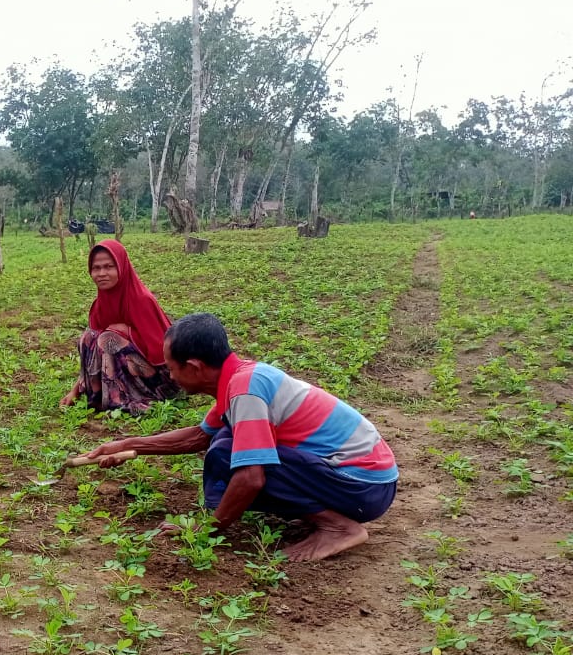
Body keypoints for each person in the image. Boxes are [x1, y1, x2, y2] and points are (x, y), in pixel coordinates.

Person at [78, 312, 399, 562]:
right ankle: (327, 515)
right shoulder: (238, 378)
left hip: (363, 485)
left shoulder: (245, 390)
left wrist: (202, 532)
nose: (171, 376)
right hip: (360, 478)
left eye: (173, 368)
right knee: (223, 445)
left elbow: (251, 478)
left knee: (234, 456)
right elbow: (198, 437)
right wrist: (127, 444)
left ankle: (338, 527)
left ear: (195, 367)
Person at [60, 239, 182, 413]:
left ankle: (121, 398)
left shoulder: (141, 300)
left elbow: (161, 351)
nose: (102, 273)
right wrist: (74, 391)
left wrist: (125, 332)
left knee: (108, 338)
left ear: (121, 268)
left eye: (109, 267)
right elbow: (92, 351)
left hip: (163, 377)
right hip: (130, 368)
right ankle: (97, 393)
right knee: (88, 337)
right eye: (96, 268)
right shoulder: (99, 306)